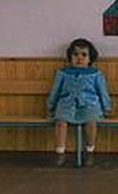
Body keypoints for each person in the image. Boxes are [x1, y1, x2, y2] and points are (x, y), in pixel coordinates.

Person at [47, 37, 112, 167]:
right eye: (75, 54)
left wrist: (107, 108)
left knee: (91, 121)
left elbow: (102, 92)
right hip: (67, 104)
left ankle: (90, 151)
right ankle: (60, 152)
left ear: (90, 58)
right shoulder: (63, 73)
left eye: (84, 55)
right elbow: (55, 91)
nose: (79, 58)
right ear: (70, 57)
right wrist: (50, 106)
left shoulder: (95, 74)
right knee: (60, 122)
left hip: (90, 104)